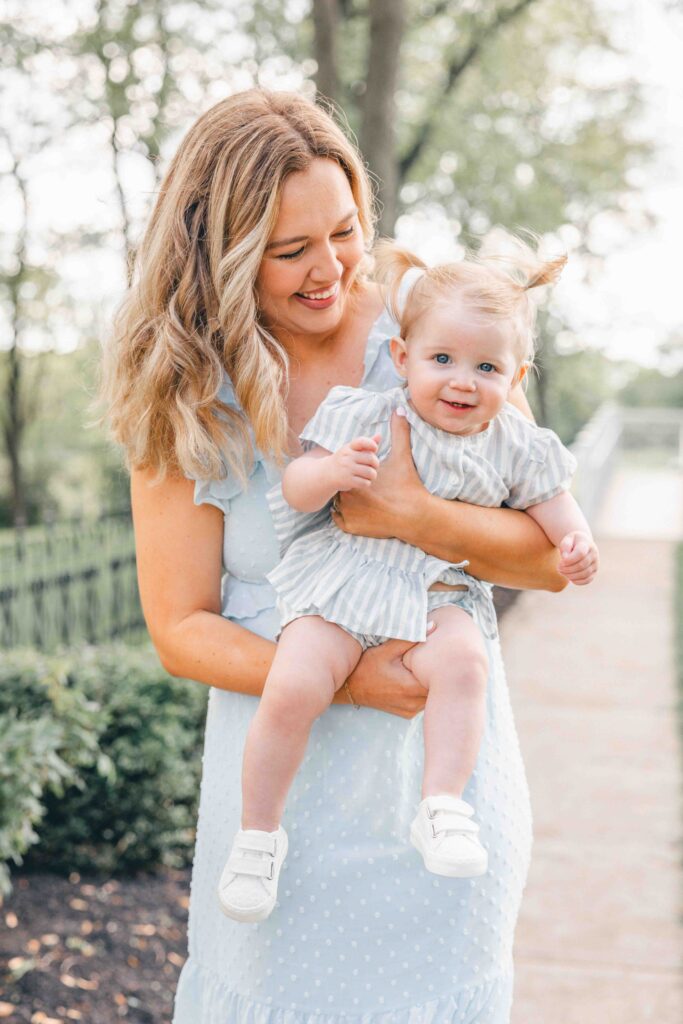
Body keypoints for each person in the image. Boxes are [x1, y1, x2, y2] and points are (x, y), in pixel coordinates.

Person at [103, 89, 585, 1023]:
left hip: (439, 792)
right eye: (290, 250)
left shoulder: (433, 331)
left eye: (345, 231)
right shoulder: (181, 385)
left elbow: (542, 560)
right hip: (277, 810)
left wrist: (412, 513)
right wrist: (353, 681)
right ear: (219, 250)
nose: (329, 269)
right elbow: (179, 627)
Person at [218, 239, 599, 924]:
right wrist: (330, 473)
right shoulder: (366, 414)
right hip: (344, 588)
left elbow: (553, 509)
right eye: (441, 359)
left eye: (486, 367)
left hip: (436, 596)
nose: (462, 381)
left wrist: (577, 544)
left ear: (515, 375)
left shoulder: (515, 443)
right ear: (402, 358)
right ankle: (256, 836)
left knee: (465, 664)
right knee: (294, 682)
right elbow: (296, 487)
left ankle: (442, 806)